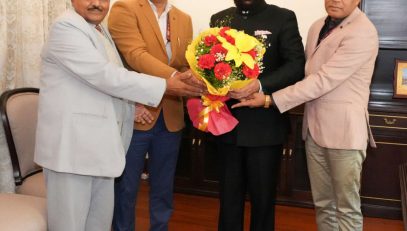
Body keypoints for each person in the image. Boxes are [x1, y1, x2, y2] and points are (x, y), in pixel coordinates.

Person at [33, 0, 205, 230]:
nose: (97, 4)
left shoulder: (99, 29)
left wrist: (130, 108)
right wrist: (165, 85)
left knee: (99, 224)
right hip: (71, 151)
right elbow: (106, 76)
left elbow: (100, 84)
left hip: (98, 148)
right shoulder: (66, 27)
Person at [232, 0, 379, 230]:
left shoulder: (363, 32)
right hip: (314, 129)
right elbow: (304, 72)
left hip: (344, 133)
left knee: (346, 209)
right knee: (323, 205)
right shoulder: (318, 25)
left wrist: (270, 98)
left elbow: (321, 81)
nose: (335, 0)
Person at [209, 0, 305, 230]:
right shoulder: (219, 18)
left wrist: (260, 85)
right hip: (226, 124)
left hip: (265, 126)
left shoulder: (283, 17)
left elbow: (296, 65)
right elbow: (210, 64)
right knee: (228, 200)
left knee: (263, 203)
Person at [108, 0, 193, 230]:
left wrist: (199, 76)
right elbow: (135, 55)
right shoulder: (124, 8)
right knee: (126, 188)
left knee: (164, 188)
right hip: (135, 112)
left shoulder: (183, 18)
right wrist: (175, 77)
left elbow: (184, 63)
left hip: (171, 116)